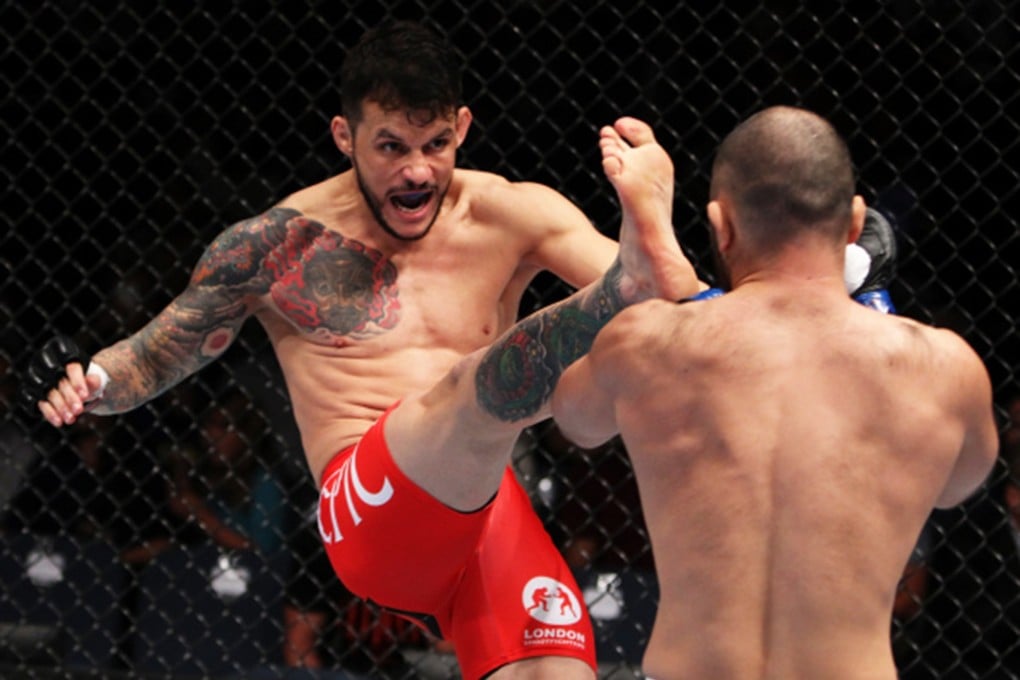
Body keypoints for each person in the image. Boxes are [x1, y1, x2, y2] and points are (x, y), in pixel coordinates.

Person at [24, 19, 699, 679]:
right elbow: (154, 352)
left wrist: (722, 303)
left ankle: (627, 285)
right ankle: (621, 288)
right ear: (344, 137)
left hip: (488, 510)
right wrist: (92, 381)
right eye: (391, 147)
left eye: (436, 144)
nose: (416, 171)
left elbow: (687, 308)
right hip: (370, 512)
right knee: (473, 388)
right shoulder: (279, 245)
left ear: (463, 127)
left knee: (557, 668)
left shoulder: (514, 213)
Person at [551, 105, 999, 680]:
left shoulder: (648, 345)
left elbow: (575, 419)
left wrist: (652, 284)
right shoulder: (942, 368)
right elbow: (959, 484)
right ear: (857, 225)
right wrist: (875, 311)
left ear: (721, 225)